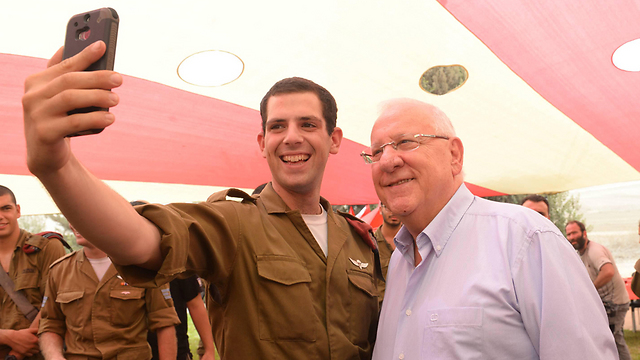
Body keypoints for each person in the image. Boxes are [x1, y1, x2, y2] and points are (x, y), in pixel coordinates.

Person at [22, 42, 379, 359]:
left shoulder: (362, 243)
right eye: (277, 126)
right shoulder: (235, 224)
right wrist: (57, 167)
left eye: (308, 125)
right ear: (261, 142)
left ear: (335, 139)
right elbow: (140, 238)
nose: (291, 138)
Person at [364, 98, 617, 359]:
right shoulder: (399, 261)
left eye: (406, 142)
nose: (387, 161)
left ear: (454, 155)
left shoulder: (526, 238)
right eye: (376, 152)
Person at [38, 223, 180, 360]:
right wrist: (54, 356)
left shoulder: (142, 266)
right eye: (70, 217)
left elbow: (164, 322)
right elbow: (50, 323)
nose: (74, 223)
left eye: (81, 215)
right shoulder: (60, 271)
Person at [0, 185, 66, 360]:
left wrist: (18, 351)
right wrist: (8, 337)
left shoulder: (47, 247)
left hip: (40, 353)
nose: (0, 216)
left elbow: (55, 304)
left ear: (18, 210)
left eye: (6, 208)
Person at [566, 220, 631, 360]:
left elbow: (608, 271)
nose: (571, 237)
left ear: (584, 233)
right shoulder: (582, 253)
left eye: (574, 233)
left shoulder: (594, 250)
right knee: (610, 339)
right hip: (607, 303)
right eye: (568, 234)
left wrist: (590, 290)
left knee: (614, 340)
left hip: (614, 303)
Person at [147, 275, 215, 360]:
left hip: (178, 349)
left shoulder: (177, 266)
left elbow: (195, 304)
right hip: (138, 350)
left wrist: (209, 349)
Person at [374, 203, 401, 305]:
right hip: (379, 310)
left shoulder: (414, 242)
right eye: (388, 207)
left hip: (407, 310)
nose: (393, 212)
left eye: (397, 207)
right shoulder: (370, 244)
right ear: (380, 209)